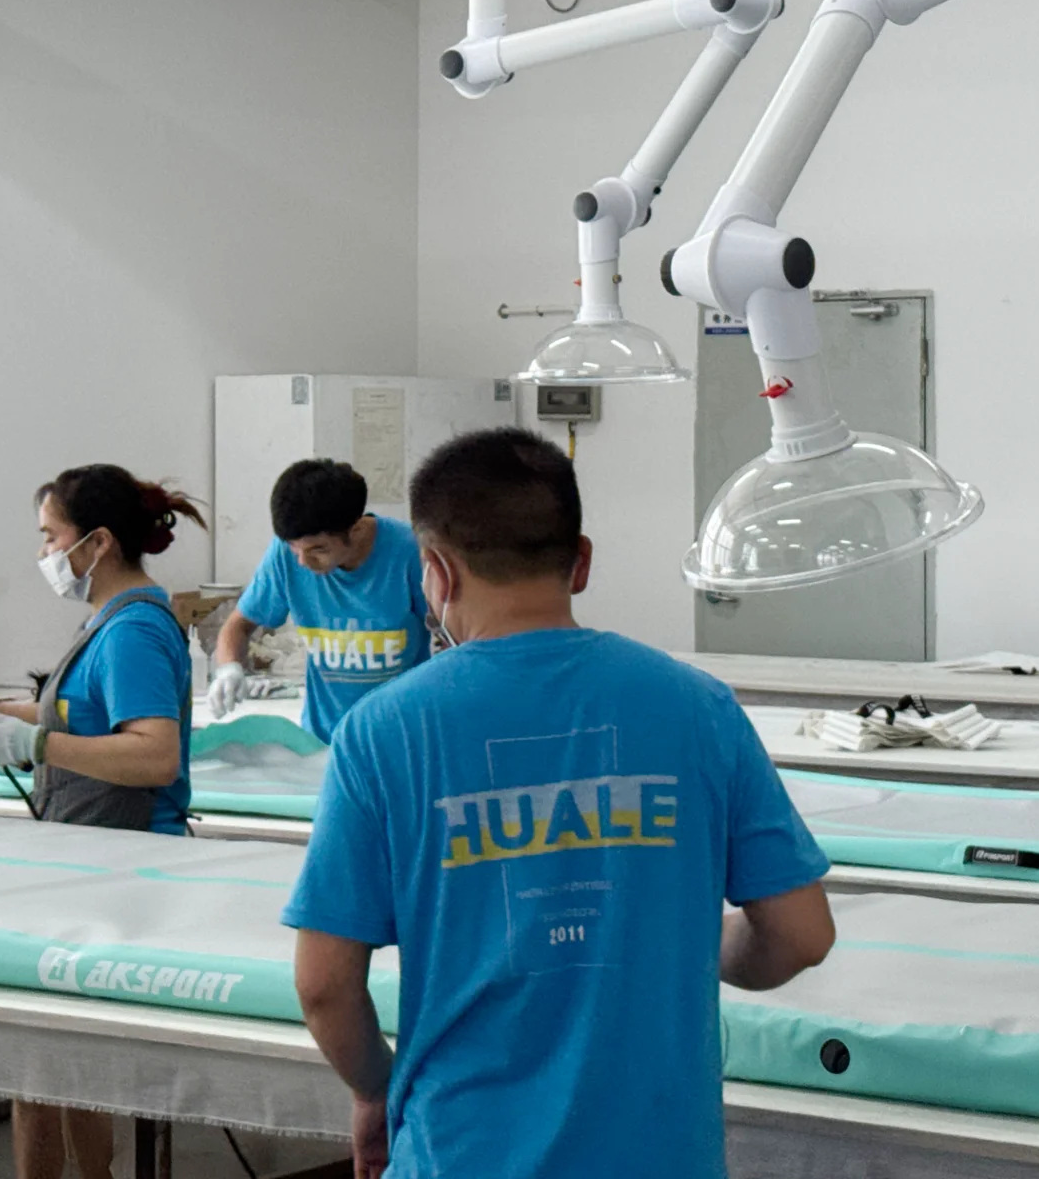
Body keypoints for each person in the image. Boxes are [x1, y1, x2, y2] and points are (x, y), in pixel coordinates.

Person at [281, 428, 835, 1178]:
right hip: (661, 1154)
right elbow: (801, 935)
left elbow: (323, 985)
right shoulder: (696, 707)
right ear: (581, 561)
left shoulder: (383, 733)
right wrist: (692, 942)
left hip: (462, 1151)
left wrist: (374, 1091)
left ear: (435, 573)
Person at [0, 462, 205, 1179]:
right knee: (56, 1068)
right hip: (86, 853)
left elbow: (153, 753)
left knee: (46, 1066)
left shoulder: (133, 631)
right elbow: (86, 713)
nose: (42, 556)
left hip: (121, 861)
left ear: (97, 543)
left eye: (49, 538)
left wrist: (33, 743)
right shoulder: (108, 620)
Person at [210, 458, 429, 742]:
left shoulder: (409, 554)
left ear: (356, 529)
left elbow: (455, 639)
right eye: (294, 549)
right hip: (324, 741)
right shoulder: (285, 555)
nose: (303, 562)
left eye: (318, 549)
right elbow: (238, 626)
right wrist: (229, 669)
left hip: (400, 739)